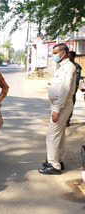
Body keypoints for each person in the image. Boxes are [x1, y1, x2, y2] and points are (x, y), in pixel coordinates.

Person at [39, 43, 76, 175]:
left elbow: (65, 90)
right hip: (59, 104)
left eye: (55, 53)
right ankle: (58, 161)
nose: (53, 55)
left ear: (63, 53)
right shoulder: (62, 67)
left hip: (61, 105)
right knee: (59, 135)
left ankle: (54, 165)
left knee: (52, 135)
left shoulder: (68, 68)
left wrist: (57, 109)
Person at [66, 51, 82, 127]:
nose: (68, 58)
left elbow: (77, 79)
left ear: (73, 57)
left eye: (70, 56)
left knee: (70, 105)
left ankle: (67, 121)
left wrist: (73, 90)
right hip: (64, 90)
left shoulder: (77, 66)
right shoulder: (65, 66)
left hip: (72, 90)